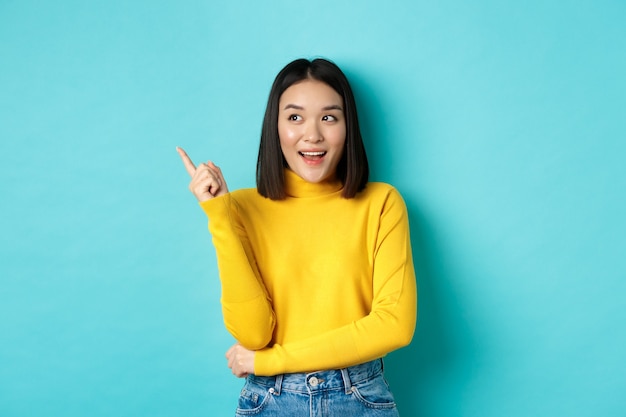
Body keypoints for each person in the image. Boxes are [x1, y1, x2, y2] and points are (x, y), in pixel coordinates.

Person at [177, 58, 417, 416]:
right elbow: (254, 334)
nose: (312, 135)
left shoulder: (381, 204)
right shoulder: (240, 207)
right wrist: (220, 217)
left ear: (348, 127)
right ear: (275, 127)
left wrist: (272, 361)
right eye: (294, 117)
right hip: (271, 400)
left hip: (359, 398)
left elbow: (394, 327)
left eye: (329, 117)